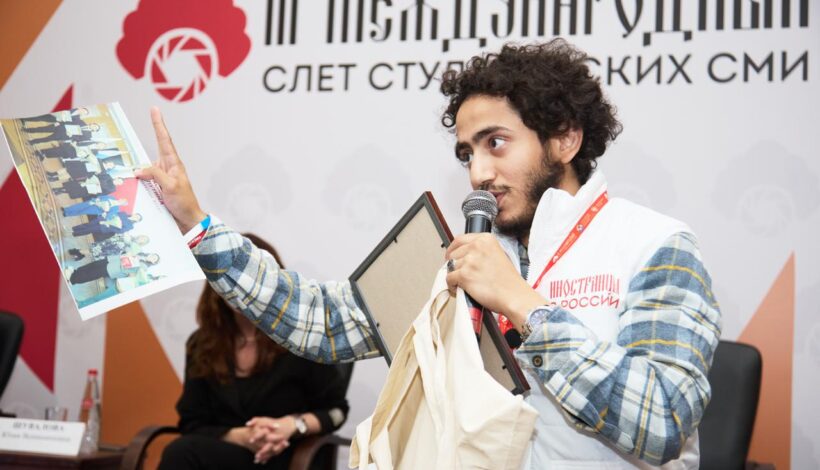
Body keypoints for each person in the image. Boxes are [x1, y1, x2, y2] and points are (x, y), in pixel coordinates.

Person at [137, 39, 721, 468]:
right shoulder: (460, 257)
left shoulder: (654, 244)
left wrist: (523, 305)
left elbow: (663, 421)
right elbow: (320, 321)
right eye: (467, 152)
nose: (478, 172)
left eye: (496, 143)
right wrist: (197, 226)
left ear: (565, 139)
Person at [157, 234, 351, 470]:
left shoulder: (302, 337)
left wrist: (291, 425)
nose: (241, 286)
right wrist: (241, 436)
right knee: (182, 451)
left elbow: (336, 411)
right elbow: (192, 422)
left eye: (251, 275)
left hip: (287, 457)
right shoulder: (202, 344)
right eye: (231, 276)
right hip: (227, 453)